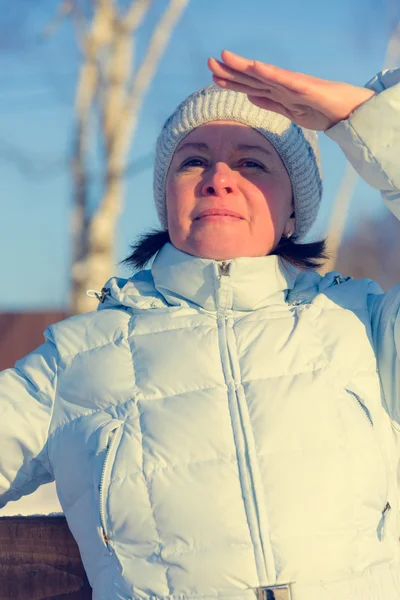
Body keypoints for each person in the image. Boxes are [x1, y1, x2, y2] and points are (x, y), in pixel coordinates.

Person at [0, 49, 399, 600]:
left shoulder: (368, 324)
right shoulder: (75, 358)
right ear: (167, 201)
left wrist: (362, 119)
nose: (218, 179)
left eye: (253, 163)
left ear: (292, 211)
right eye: (192, 162)